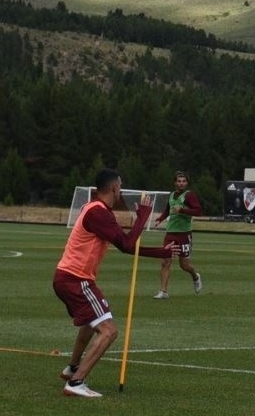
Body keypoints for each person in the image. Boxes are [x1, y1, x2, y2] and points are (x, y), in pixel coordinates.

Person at [52, 168, 178, 398]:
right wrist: (142, 217)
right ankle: (76, 382)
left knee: (91, 322)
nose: (121, 188)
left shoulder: (94, 209)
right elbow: (127, 245)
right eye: (120, 185)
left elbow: (126, 244)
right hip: (75, 279)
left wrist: (161, 252)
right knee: (109, 330)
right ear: (114, 188)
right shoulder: (98, 213)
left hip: (68, 278)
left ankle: (72, 369)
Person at [152, 170, 203, 299]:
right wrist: (161, 218)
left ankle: (195, 276)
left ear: (187, 183)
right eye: (179, 181)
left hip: (184, 234)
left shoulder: (189, 195)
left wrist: (182, 210)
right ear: (175, 182)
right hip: (170, 234)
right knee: (165, 261)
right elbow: (168, 210)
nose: (181, 183)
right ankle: (163, 291)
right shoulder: (171, 195)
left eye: (184, 181)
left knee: (184, 265)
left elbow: (198, 211)